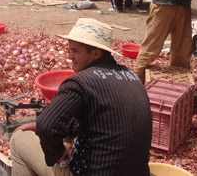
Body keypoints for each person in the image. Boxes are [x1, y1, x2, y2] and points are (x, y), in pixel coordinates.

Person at [9, 18, 152, 176]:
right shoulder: (131, 76)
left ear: (96, 53)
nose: (70, 56)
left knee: (18, 139)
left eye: (76, 51)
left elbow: (46, 126)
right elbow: (103, 119)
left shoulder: (80, 82)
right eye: (70, 50)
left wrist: (57, 153)